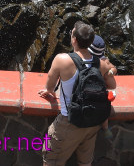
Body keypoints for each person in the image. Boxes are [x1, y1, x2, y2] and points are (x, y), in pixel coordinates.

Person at [38, 22, 117, 166]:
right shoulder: (102, 64)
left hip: (69, 122)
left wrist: (49, 91)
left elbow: (50, 85)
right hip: (92, 122)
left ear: (74, 39)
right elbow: (113, 85)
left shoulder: (62, 60)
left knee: (51, 161)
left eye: (71, 33)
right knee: (85, 163)